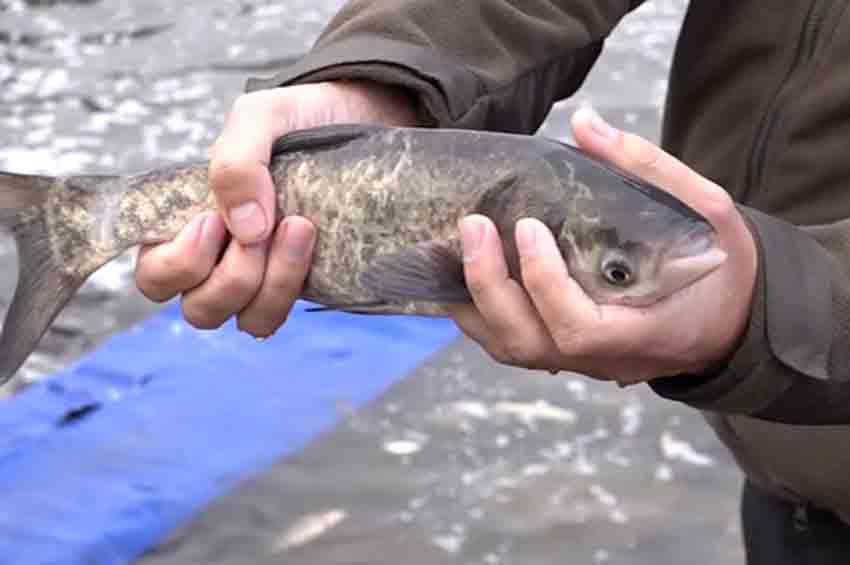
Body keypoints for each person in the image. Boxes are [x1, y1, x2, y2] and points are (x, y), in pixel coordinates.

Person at [134, 1, 850, 563]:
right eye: (620, 270)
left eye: (617, 273)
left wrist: (770, 306)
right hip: (785, 491)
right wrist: (385, 79)